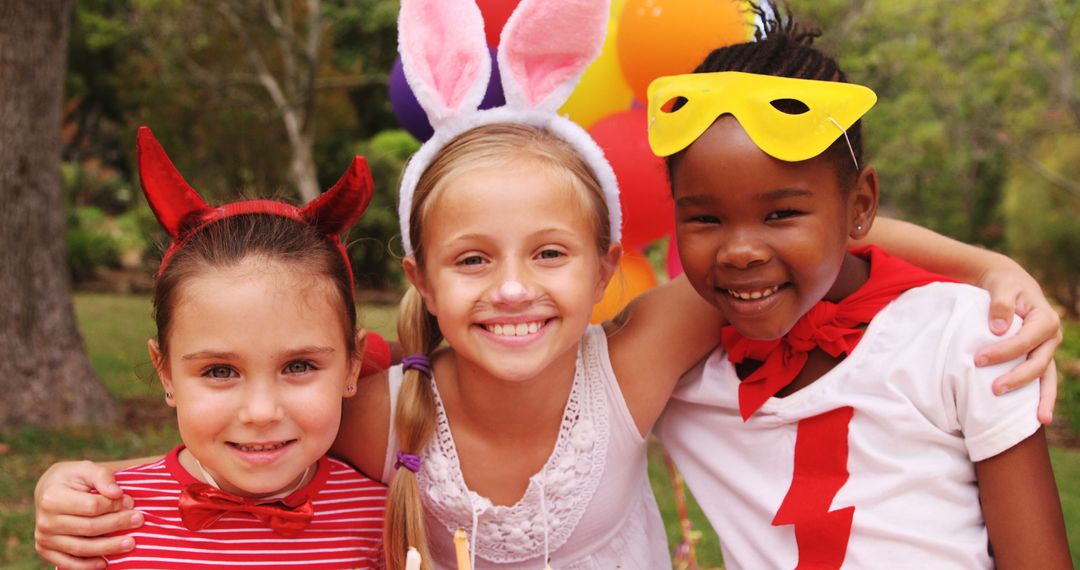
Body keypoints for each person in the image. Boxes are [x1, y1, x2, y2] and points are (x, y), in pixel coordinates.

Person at [34, 1, 1064, 569]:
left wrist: (985, 266)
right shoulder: (380, 413)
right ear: (423, 279)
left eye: (552, 255)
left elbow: (793, 236)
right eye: (473, 259)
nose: (513, 291)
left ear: (606, 262)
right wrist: (76, 481)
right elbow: (249, 430)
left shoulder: (639, 357)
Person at [651, 4, 1071, 568]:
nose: (741, 251)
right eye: (704, 219)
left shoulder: (966, 339)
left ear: (861, 204)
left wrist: (991, 271)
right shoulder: (675, 380)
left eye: (780, 214)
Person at [91, 127, 390, 569]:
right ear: (166, 373)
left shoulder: (385, 520)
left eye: (300, 365)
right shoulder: (104, 523)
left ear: (352, 365)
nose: (261, 412)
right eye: (219, 371)